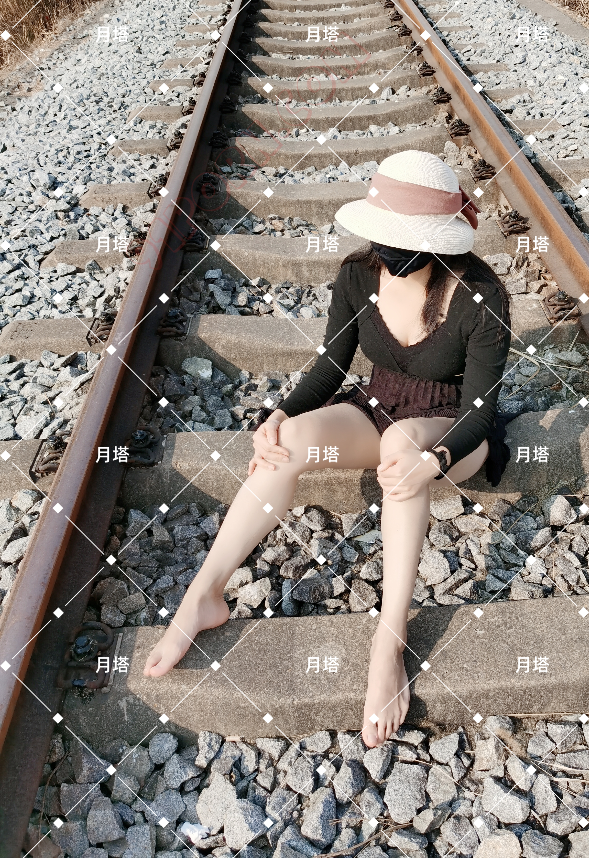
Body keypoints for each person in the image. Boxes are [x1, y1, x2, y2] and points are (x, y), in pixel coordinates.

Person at [143, 149, 512, 748]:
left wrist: (436, 460)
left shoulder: (481, 294)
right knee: (288, 442)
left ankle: (389, 641)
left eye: (404, 241)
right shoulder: (358, 275)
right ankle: (203, 595)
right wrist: (278, 414)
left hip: (451, 433)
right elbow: (329, 368)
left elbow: (480, 410)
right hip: (378, 407)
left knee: (403, 444)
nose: (388, 253)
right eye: (384, 238)